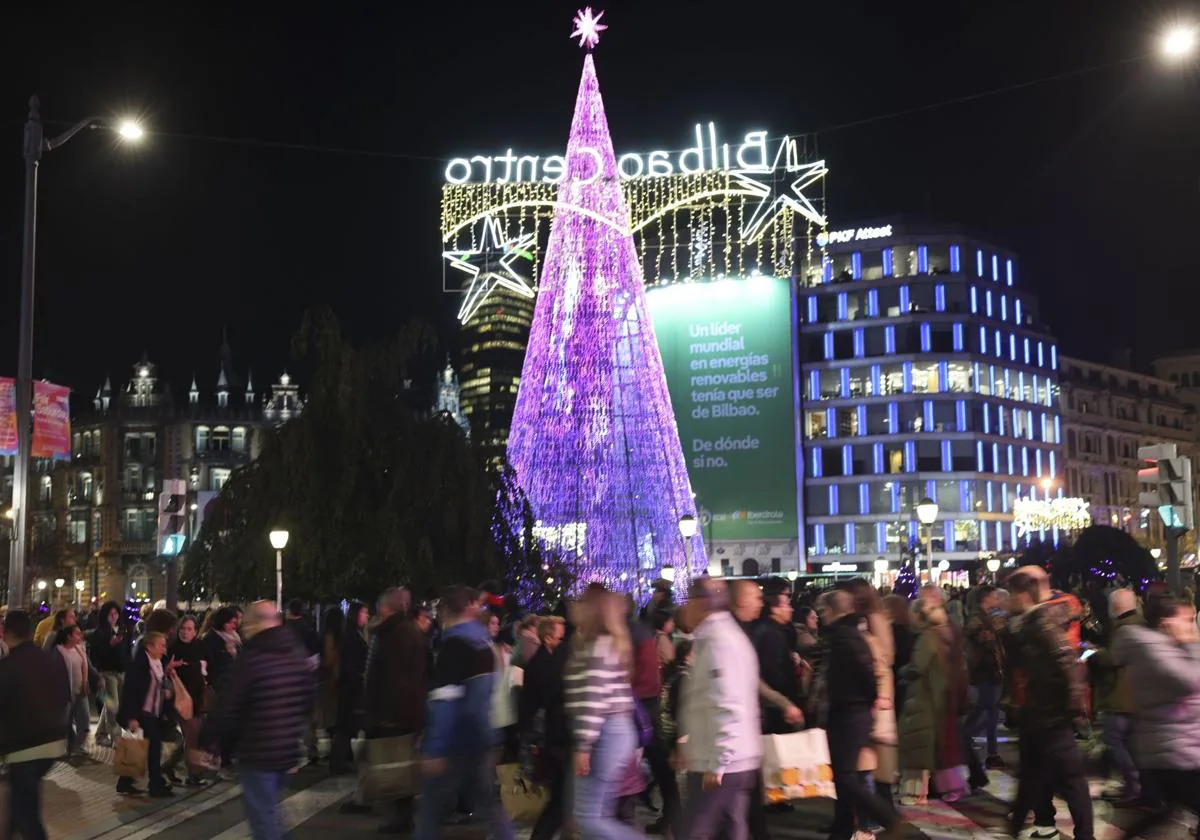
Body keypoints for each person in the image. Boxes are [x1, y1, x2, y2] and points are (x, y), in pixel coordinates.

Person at [202, 601, 316, 840]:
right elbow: (306, 698)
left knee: (264, 819)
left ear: (256, 623)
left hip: (258, 749)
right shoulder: (295, 651)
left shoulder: (253, 657)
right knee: (271, 812)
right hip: (285, 748)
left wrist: (207, 741)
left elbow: (228, 704)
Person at [414, 586, 513, 840]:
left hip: (454, 743)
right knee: (490, 806)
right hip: (480, 737)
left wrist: (435, 748)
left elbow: (445, 699)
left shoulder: (454, 645)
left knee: (430, 812)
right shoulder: (484, 643)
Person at [1004, 567, 1094, 840]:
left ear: (1021, 595)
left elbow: (1067, 661)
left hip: (1050, 716)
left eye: (1010, 594)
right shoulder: (1030, 622)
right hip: (1040, 713)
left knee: (1071, 780)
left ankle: (1084, 835)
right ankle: (1021, 825)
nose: (1006, 600)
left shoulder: (1041, 621)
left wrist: (1072, 706)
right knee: (1033, 778)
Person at [677, 577, 764, 840]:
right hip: (730, 759)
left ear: (702, 604)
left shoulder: (718, 643)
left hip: (721, 763)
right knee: (732, 829)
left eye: (687, 601)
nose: (683, 608)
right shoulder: (720, 638)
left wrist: (718, 762)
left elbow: (727, 704)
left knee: (695, 832)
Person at [1110, 591, 1200, 839]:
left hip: (1183, 746)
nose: (1193, 626)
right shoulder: (1153, 649)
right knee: (1169, 811)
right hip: (1174, 750)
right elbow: (1190, 681)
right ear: (1166, 623)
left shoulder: (1169, 648)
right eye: (1188, 619)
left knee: (1166, 813)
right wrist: (1192, 644)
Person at [821, 589, 910, 840]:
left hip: (850, 712)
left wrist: (868, 700)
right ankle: (845, 827)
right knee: (847, 774)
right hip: (854, 710)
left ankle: (884, 818)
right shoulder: (849, 634)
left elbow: (868, 673)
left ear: (830, 611)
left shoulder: (845, 636)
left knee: (847, 775)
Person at [561, 585, 641, 840]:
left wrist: (583, 746)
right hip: (612, 731)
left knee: (588, 817)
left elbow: (593, 697)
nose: (574, 605)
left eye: (581, 601)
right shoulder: (604, 644)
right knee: (595, 814)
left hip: (603, 733)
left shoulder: (597, 646)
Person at [348, 587, 428, 833]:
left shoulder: (393, 634)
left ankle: (402, 817)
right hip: (402, 711)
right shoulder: (406, 632)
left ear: (387, 608)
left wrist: (383, 714)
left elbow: (391, 679)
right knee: (398, 765)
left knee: (394, 764)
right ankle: (402, 815)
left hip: (392, 712)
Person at [0, 610, 70, 840]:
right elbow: (63, 695)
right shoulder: (48, 659)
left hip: (24, 747)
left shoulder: (9, 666)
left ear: (6, 632)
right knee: (19, 801)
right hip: (53, 742)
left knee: (27, 814)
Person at [1092, 587, 1144, 805]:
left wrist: (1092, 652)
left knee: (1115, 740)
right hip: (1138, 694)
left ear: (1115, 606)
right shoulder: (1142, 624)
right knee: (1129, 743)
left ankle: (1134, 786)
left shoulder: (1125, 630)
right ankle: (1136, 786)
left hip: (1122, 696)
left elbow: (1112, 659)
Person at [520, 615, 569, 840]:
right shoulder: (542, 666)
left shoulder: (548, 661)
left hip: (553, 735)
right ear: (548, 638)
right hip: (552, 736)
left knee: (561, 796)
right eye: (560, 637)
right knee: (561, 796)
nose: (563, 641)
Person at [117, 630, 177, 798]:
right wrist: (131, 717)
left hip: (153, 710)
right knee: (153, 747)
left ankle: (125, 781)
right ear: (149, 647)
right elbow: (130, 692)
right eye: (161, 645)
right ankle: (155, 784)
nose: (164, 649)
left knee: (139, 747)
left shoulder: (159, 662)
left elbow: (159, 682)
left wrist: (166, 688)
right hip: (143, 711)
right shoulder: (140, 665)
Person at [964, 585, 1005, 770]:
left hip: (989, 672)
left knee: (989, 712)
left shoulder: (986, 616)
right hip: (985, 672)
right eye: (994, 596)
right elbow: (980, 638)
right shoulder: (977, 617)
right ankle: (965, 741)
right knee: (986, 712)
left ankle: (990, 752)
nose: (997, 599)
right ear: (986, 598)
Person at [166, 615, 210, 786]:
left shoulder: (201, 646)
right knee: (192, 736)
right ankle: (194, 774)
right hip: (182, 698)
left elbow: (209, 666)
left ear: (196, 631)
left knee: (194, 735)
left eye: (189, 629)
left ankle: (169, 765)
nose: (185, 632)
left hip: (199, 697)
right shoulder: (173, 649)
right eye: (182, 629)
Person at [331, 600, 369, 775]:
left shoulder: (354, 634)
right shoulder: (351, 636)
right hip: (349, 687)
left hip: (350, 686)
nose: (366, 616)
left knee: (346, 725)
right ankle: (338, 762)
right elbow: (350, 663)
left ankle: (343, 758)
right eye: (363, 613)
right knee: (345, 725)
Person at [285, 598, 321, 766]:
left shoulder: (283, 630)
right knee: (308, 716)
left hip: (286, 678)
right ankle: (311, 747)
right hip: (307, 677)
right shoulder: (309, 630)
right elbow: (316, 656)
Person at [90, 600, 130, 747]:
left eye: (115, 614)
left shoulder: (121, 629)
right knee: (113, 704)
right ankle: (116, 736)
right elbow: (96, 655)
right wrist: (110, 644)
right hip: (106, 673)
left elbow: (125, 652)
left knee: (111, 704)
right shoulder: (100, 632)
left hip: (120, 672)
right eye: (110, 614)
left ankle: (100, 733)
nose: (113, 617)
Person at [55, 623, 92, 757]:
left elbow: (86, 667)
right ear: (69, 636)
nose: (80, 635)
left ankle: (78, 745)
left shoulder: (79, 649)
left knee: (84, 719)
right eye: (76, 633)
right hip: (66, 693)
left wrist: (87, 681)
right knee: (66, 722)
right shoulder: (59, 652)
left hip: (80, 691)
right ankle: (69, 748)